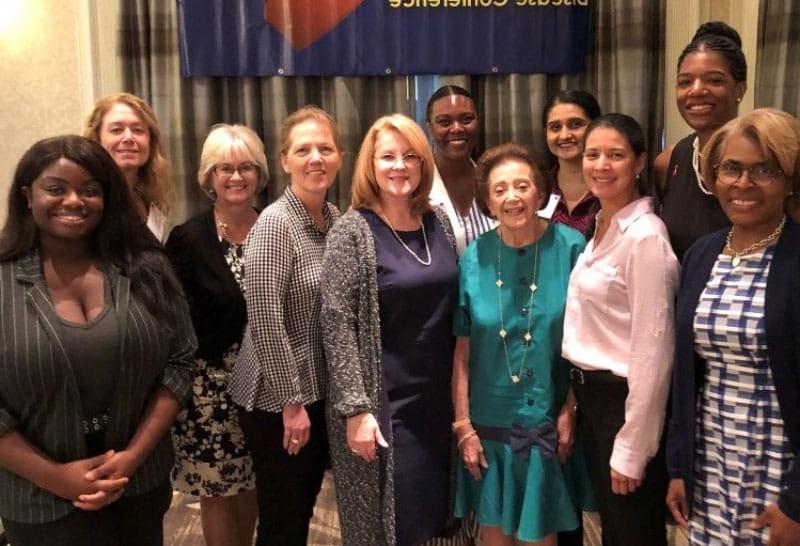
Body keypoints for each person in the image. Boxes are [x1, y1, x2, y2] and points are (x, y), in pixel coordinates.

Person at [0, 135, 196, 546]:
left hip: (138, 486)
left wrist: (132, 458)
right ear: (26, 196)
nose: (74, 200)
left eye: (90, 190)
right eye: (56, 188)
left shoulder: (147, 268)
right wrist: (55, 477)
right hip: (39, 500)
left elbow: (180, 361)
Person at [321, 114, 459, 546]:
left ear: (422, 165)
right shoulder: (353, 229)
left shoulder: (438, 221)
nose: (399, 166)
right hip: (385, 406)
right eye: (387, 157)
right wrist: (355, 409)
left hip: (439, 400)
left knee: (440, 517)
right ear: (370, 165)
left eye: (409, 157)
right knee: (395, 523)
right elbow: (337, 321)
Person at [666, 108, 800, 546]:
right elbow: (688, 375)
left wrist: (797, 502)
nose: (744, 184)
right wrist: (680, 467)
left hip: (780, 464)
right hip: (713, 458)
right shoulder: (702, 255)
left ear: (789, 179)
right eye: (731, 169)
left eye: (764, 170)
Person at [451, 143, 594, 546]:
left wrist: (571, 407)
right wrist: (463, 425)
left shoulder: (572, 249)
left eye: (521, 185)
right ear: (487, 202)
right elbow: (462, 351)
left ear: (539, 192)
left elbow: (587, 341)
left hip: (547, 421)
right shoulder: (473, 258)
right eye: (500, 190)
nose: (512, 197)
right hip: (488, 425)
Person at [562, 114, 679, 546]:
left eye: (616, 155)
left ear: (638, 162)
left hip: (624, 406)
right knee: (614, 527)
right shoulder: (601, 226)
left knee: (633, 531)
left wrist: (634, 447)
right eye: (593, 154)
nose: (601, 165)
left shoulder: (645, 237)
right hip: (593, 400)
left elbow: (654, 352)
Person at [228, 106, 342, 546]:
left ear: (339, 157)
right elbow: (265, 318)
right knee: (283, 514)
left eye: (325, 148)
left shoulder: (333, 217)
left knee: (303, 503)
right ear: (284, 161)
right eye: (303, 149)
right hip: (275, 398)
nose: (315, 157)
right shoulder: (276, 223)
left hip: (315, 388)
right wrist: (291, 403)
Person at [166, 124, 267, 546]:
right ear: (209, 177)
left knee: (253, 483)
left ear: (260, 174)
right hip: (210, 390)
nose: (236, 177)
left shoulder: (275, 228)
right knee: (217, 491)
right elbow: (176, 322)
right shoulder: (187, 240)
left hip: (267, 383)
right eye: (224, 168)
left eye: (246, 167)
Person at [655, 21, 746, 261]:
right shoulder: (668, 162)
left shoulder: (765, 156)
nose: (696, 90)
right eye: (685, 82)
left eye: (714, 80)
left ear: (740, 89)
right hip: (685, 296)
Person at [85, 92, 173, 242]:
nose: (128, 138)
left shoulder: (151, 201)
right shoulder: (87, 201)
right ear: (96, 139)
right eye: (116, 130)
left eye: (138, 130)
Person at [427, 85, 496, 254]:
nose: (457, 128)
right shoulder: (416, 188)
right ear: (430, 128)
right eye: (444, 122)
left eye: (466, 119)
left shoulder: (494, 182)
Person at [540, 90, 602, 238]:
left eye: (576, 124)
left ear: (597, 127)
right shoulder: (537, 189)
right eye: (555, 127)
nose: (565, 135)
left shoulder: (612, 190)